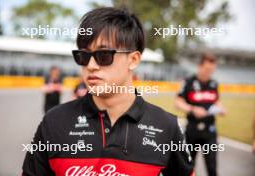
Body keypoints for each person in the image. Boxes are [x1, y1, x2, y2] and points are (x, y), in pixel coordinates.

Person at [22, 7, 194, 176]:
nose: (90, 66)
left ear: (133, 60)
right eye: (83, 56)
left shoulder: (166, 127)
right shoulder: (54, 122)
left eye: (103, 55)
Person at [175, 53, 226, 176]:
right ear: (200, 66)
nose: (210, 72)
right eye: (207, 69)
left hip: (210, 132)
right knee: (188, 166)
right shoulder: (189, 82)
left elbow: (216, 101)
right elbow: (178, 102)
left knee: (212, 167)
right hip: (192, 130)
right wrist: (192, 109)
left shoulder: (214, 84)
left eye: (212, 70)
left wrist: (221, 108)